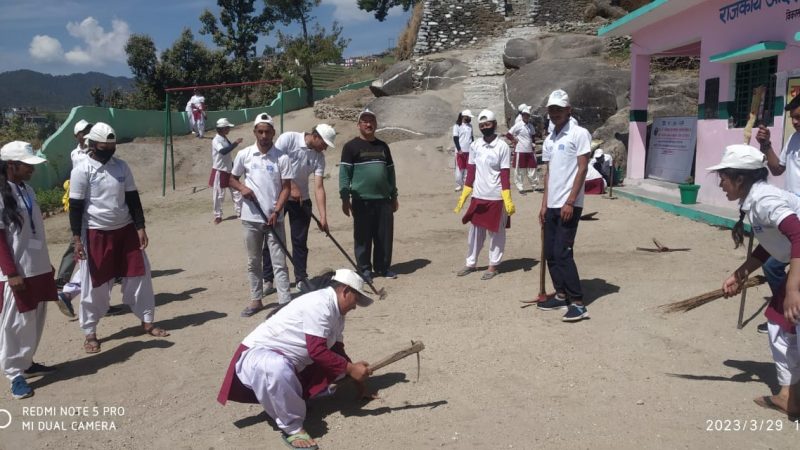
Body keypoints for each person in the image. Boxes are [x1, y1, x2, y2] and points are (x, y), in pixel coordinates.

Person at [217, 268, 374, 450]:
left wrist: (357, 378)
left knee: (335, 366)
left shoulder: (337, 313)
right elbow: (317, 351)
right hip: (258, 357)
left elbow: (337, 349)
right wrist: (350, 369)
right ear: (345, 291)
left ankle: (286, 402)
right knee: (275, 367)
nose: (355, 307)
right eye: (356, 300)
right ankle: (292, 428)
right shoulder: (319, 303)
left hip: (292, 362)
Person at [709, 144, 800, 417]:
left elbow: (797, 235)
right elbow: (773, 243)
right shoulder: (757, 200)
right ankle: (790, 396)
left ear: (740, 179)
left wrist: (793, 288)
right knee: (780, 322)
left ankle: (790, 396)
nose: (721, 184)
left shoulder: (764, 201)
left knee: (782, 323)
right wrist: (739, 275)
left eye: (723, 177)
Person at [69, 122, 169, 353]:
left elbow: (133, 198)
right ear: (93, 145)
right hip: (95, 232)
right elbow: (75, 207)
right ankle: (90, 333)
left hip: (125, 230)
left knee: (140, 275)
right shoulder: (82, 170)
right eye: (105, 146)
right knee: (95, 285)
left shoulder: (121, 167)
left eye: (113, 146)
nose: (110, 150)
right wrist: (77, 239)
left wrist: (140, 227)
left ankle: (147, 321)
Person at [0, 141, 59, 399]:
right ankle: (14, 373)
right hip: (17, 271)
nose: (31, 170)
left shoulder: (28, 190)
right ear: (11, 165)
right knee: (15, 324)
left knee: (35, 318)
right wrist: (11, 272)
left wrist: (45, 262)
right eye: (27, 165)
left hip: (37, 266)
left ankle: (27, 362)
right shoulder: (2, 194)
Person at [229, 113, 294, 316]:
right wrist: (242, 188)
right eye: (260, 131)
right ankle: (256, 300)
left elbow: (286, 188)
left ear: (273, 132)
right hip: (251, 219)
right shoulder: (245, 154)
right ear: (255, 132)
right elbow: (231, 178)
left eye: (267, 131)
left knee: (279, 262)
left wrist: (277, 210)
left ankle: (284, 301)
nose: (264, 135)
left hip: (275, 218)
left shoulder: (282, 157)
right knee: (253, 261)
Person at [536, 89, 591, 322]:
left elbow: (583, 167)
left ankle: (577, 302)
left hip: (570, 203)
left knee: (563, 252)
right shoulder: (550, 139)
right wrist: (544, 204)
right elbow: (548, 173)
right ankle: (560, 294)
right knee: (550, 252)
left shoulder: (579, 133)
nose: (555, 113)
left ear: (569, 110)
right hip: (553, 203)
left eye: (559, 109)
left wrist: (570, 200)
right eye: (552, 110)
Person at [262, 124, 337, 293]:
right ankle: (267, 278)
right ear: (315, 136)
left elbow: (319, 187)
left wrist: (323, 216)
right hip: (279, 198)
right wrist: (292, 185)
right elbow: (275, 162)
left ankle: (301, 278)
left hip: (301, 200)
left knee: (300, 241)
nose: (325, 148)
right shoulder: (289, 139)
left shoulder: (319, 158)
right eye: (324, 143)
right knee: (272, 239)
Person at [755, 96, 800, 334]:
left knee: (774, 264)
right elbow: (777, 168)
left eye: (799, 117)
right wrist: (766, 145)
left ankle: (787, 313)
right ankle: (787, 312)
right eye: (793, 117)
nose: (795, 122)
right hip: (791, 212)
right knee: (773, 263)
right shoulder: (793, 139)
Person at [454, 109, 515, 280]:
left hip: (496, 196)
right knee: (474, 233)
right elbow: (471, 172)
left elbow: (504, 174)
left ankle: (493, 265)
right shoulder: (475, 146)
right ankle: (470, 263)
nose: (484, 128)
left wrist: (507, 198)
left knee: (497, 233)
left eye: (487, 124)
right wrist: (465, 194)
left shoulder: (502, 146)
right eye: (481, 125)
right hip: (479, 196)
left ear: (494, 125)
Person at [339, 109, 399, 282]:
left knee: (384, 236)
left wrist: (394, 196)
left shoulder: (383, 147)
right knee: (363, 237)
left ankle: (382, 267)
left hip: (383, 200)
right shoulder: (350, 147)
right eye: (364, 121)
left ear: (376, 124)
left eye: (371, 120)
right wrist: (344, 198)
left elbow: (391, 174)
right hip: (361, 200)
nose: (368, 124)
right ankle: (364, 269)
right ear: (358, 125)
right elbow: (344, 174)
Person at [210, 118, 243, 224]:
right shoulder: (216, 140)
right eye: (228, 127)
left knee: (237, 192)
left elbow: (228, 156)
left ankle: (240, 212)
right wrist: (235, 143)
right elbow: (223, 152)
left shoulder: (224, 138)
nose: (229, 129)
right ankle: (217, 215)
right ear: (223, 129)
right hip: (220, 170)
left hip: (229, 170)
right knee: (219, 195)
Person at [505, 106, 538, 195]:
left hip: (530, 150)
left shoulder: (530, 126)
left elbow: (533, 136)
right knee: (520, 170)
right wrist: (513, 140)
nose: (526, 117)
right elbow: (508, 134)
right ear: (522, 115)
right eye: (524, 115)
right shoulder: (518, 125)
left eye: (527, 115)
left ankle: (535, 186)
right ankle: (520, 187)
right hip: (520, 150)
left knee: (532, 168)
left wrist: (533, 144)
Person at [453, 110, 474, 192]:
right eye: (468, 117)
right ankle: (459, 184)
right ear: (464, 117)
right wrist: (459, 149)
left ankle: (467, 184)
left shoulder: (470, 126)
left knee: (468, 169)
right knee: (459, 169)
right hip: (460, 151)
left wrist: (473, 148)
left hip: (469, 150)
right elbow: (455, 138)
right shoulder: (457, 126)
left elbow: (472, 138)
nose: (469, 118)